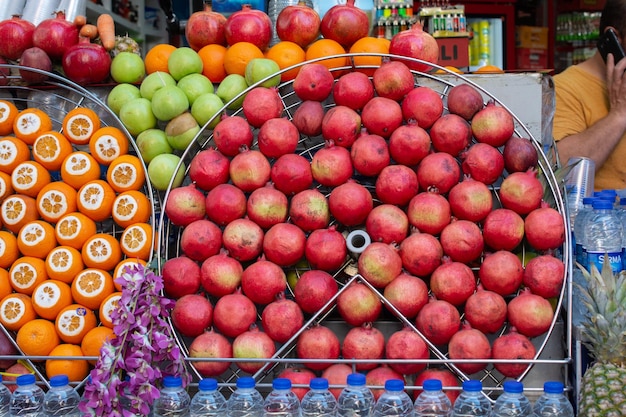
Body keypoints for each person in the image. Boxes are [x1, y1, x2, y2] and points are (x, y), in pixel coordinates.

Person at [552, 0, 626, 191]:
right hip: (601, 219)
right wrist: (619, 115)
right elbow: (562, 172)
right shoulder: (566, 87)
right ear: (615, 38)